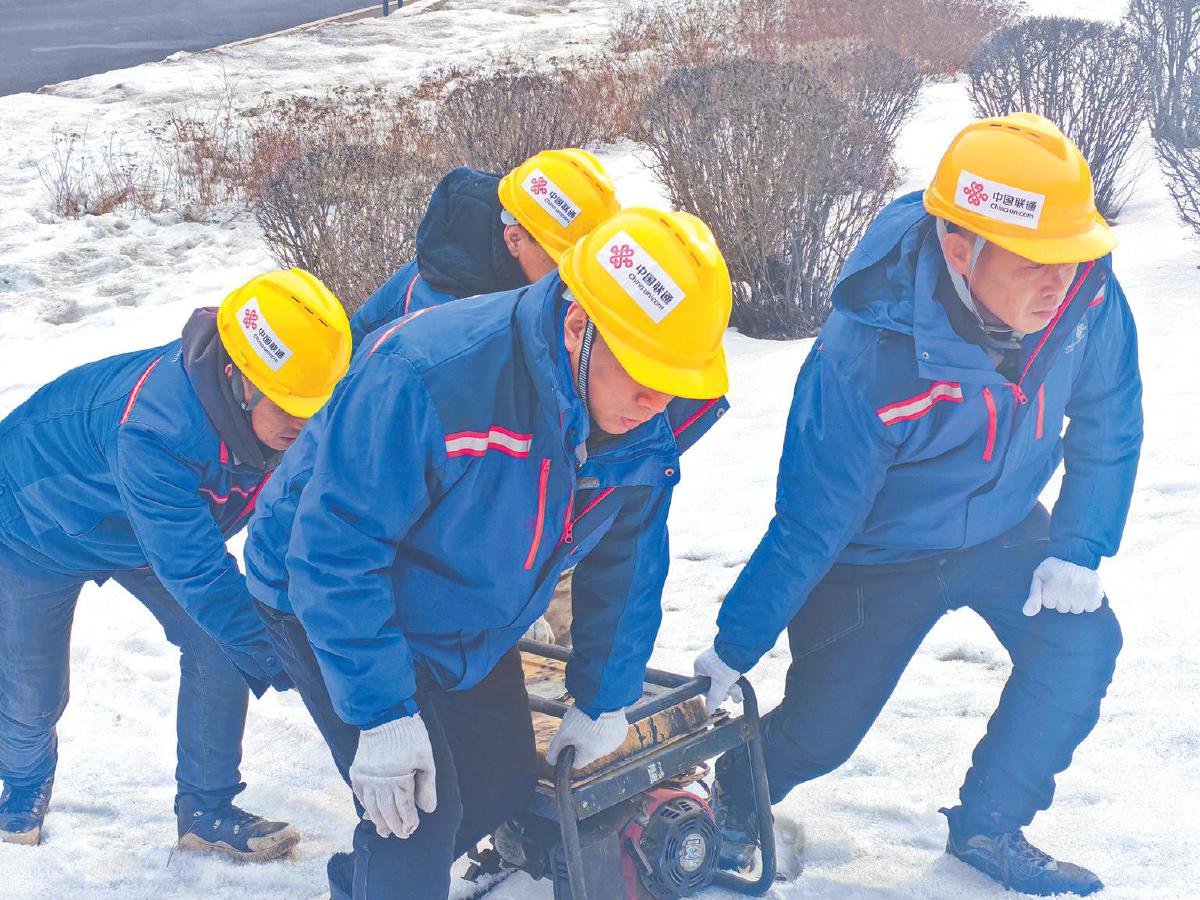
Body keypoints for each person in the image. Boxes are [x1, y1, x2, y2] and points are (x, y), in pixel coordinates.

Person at [695, 113, 1142, 897]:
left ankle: (989, 825)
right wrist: (737, 643)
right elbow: (811, 523)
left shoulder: (1085, 298)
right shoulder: (866, 354)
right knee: (821, 735)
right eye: (1037, 262)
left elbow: (1111, 417)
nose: (1061, 282)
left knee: (1081, 645)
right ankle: (736, 789)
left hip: (1002, 524)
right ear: (960, 250)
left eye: (1073, 256)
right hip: (875, 556)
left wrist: (1079, 546)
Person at [244, 208, 732, 898]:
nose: (658, 400)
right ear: (578, 327)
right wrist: (383, 716)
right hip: (323, 590)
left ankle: (365, 883)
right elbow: (335, 551)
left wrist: (605, 697)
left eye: (677, 378)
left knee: (498, 781)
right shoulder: (432, 376)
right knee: (415, 818)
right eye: (644, 373)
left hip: (465, 601)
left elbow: (627, 559)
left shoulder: (639, 418)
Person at [0, 269, 352, 859]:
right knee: (34, 692)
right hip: (33, 523)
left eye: (316, 405)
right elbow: (200, 576)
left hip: (145, 527)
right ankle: (23, 784)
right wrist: (297, 664)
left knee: (219, 642)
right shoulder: (156, 431)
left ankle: (205, 812)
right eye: (290, 406)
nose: (305, 422)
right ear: (239, 376)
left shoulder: (279, 419)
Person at [349, 148, 621, 344]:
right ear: (514, 239)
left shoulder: (523, 264)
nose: (571, 278)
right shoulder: (444, 312)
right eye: (560, 262)